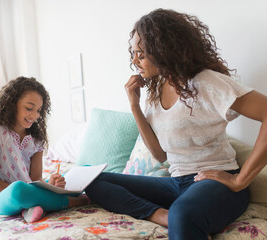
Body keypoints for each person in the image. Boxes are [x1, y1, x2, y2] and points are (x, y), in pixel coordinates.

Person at [85, 8, 267, 239]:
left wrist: (240, 180)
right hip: (175, 183)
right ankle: (160, 215)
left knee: (183, 212)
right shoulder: (155, 92)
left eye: (141, 54)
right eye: (133, 53)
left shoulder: (206, 82)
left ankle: (177, 216)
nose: (134, 61)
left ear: (163, 51)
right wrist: (134, 106)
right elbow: (160, 155)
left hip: (214, 183)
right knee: (93, 180)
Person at [0, 76, 88, 223]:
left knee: (84, 170)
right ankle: (70, 202)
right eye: (29, 108)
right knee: (18, 190)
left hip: (29, 191)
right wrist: (26, 190)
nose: (34, 115)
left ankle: (30, 208)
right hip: (2, 197)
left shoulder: (37, 139)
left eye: (38, 110)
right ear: (12, 103)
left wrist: (50, 184)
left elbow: (35, 179)